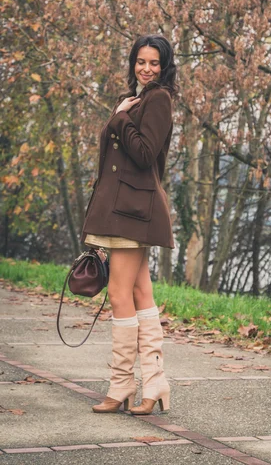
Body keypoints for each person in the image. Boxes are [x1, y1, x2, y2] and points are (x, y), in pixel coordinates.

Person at [80, 34, 177, 415]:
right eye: (141, 61)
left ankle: (121, 385)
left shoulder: (159, 99)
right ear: (133, 62)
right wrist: (121, 113)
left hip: (131, 212)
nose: (146, 68)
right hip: (125, 209)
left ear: (164, 65)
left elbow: (144, 153)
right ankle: (154, 383)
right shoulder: (138, 97)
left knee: (119, 295)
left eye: (154, 62)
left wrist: (119, 116)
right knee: (139, 292)